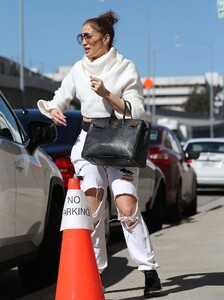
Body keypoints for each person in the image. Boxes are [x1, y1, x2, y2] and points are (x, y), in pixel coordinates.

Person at [37, 10, 162, 297]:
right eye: (81, 36)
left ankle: (149, 270)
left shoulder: (124, 67)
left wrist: (107, 93)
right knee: (92, 213)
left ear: (105, 38)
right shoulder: (79, 68)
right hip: (88, 142)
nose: (84, 41)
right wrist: (53, 108)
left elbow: (136, 109)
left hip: (119, 141)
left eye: (89, 36)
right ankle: (95, 273)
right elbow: (60, 96)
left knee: (127, 209)